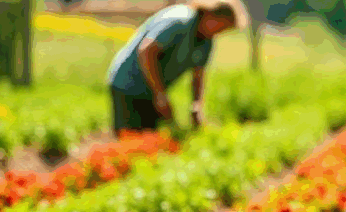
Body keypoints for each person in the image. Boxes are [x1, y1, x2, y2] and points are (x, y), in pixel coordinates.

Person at [107, 0, 249, 138]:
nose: (220, 32)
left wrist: (196, 106)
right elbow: (146, 51)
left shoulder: (207, 40)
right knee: (130, 138)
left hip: (151, 90)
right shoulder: (180, 22)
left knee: (149, 139)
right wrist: (160, 94)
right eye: (221, 26)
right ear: (210, 14)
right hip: (127, 83)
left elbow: (198, 74)